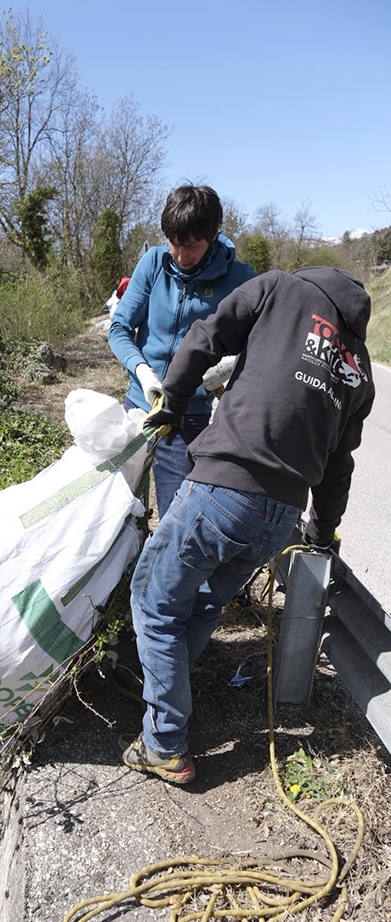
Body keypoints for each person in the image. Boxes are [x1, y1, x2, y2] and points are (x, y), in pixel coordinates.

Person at [122, 265, 375, 785]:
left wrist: (172, 400)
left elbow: (204, 336)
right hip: (280, 517)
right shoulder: (361, 368)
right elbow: (337, 467)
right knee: (203, 602)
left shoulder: (280, 287)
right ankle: (172, 687)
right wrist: (322, 533)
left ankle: (164, 742)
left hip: (224, 489)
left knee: (153, 600)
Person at [108, 183, 256, 520]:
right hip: (139, 407)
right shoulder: (153, 263)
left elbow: (264, 338)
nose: (180, 255)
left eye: (191, 246)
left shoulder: (240, 279)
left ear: (214, 235)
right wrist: (143, 373)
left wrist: (223, 370)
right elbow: (119, 329)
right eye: (174, 243)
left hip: (189, 418)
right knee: (120, 510)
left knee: (177, 518)